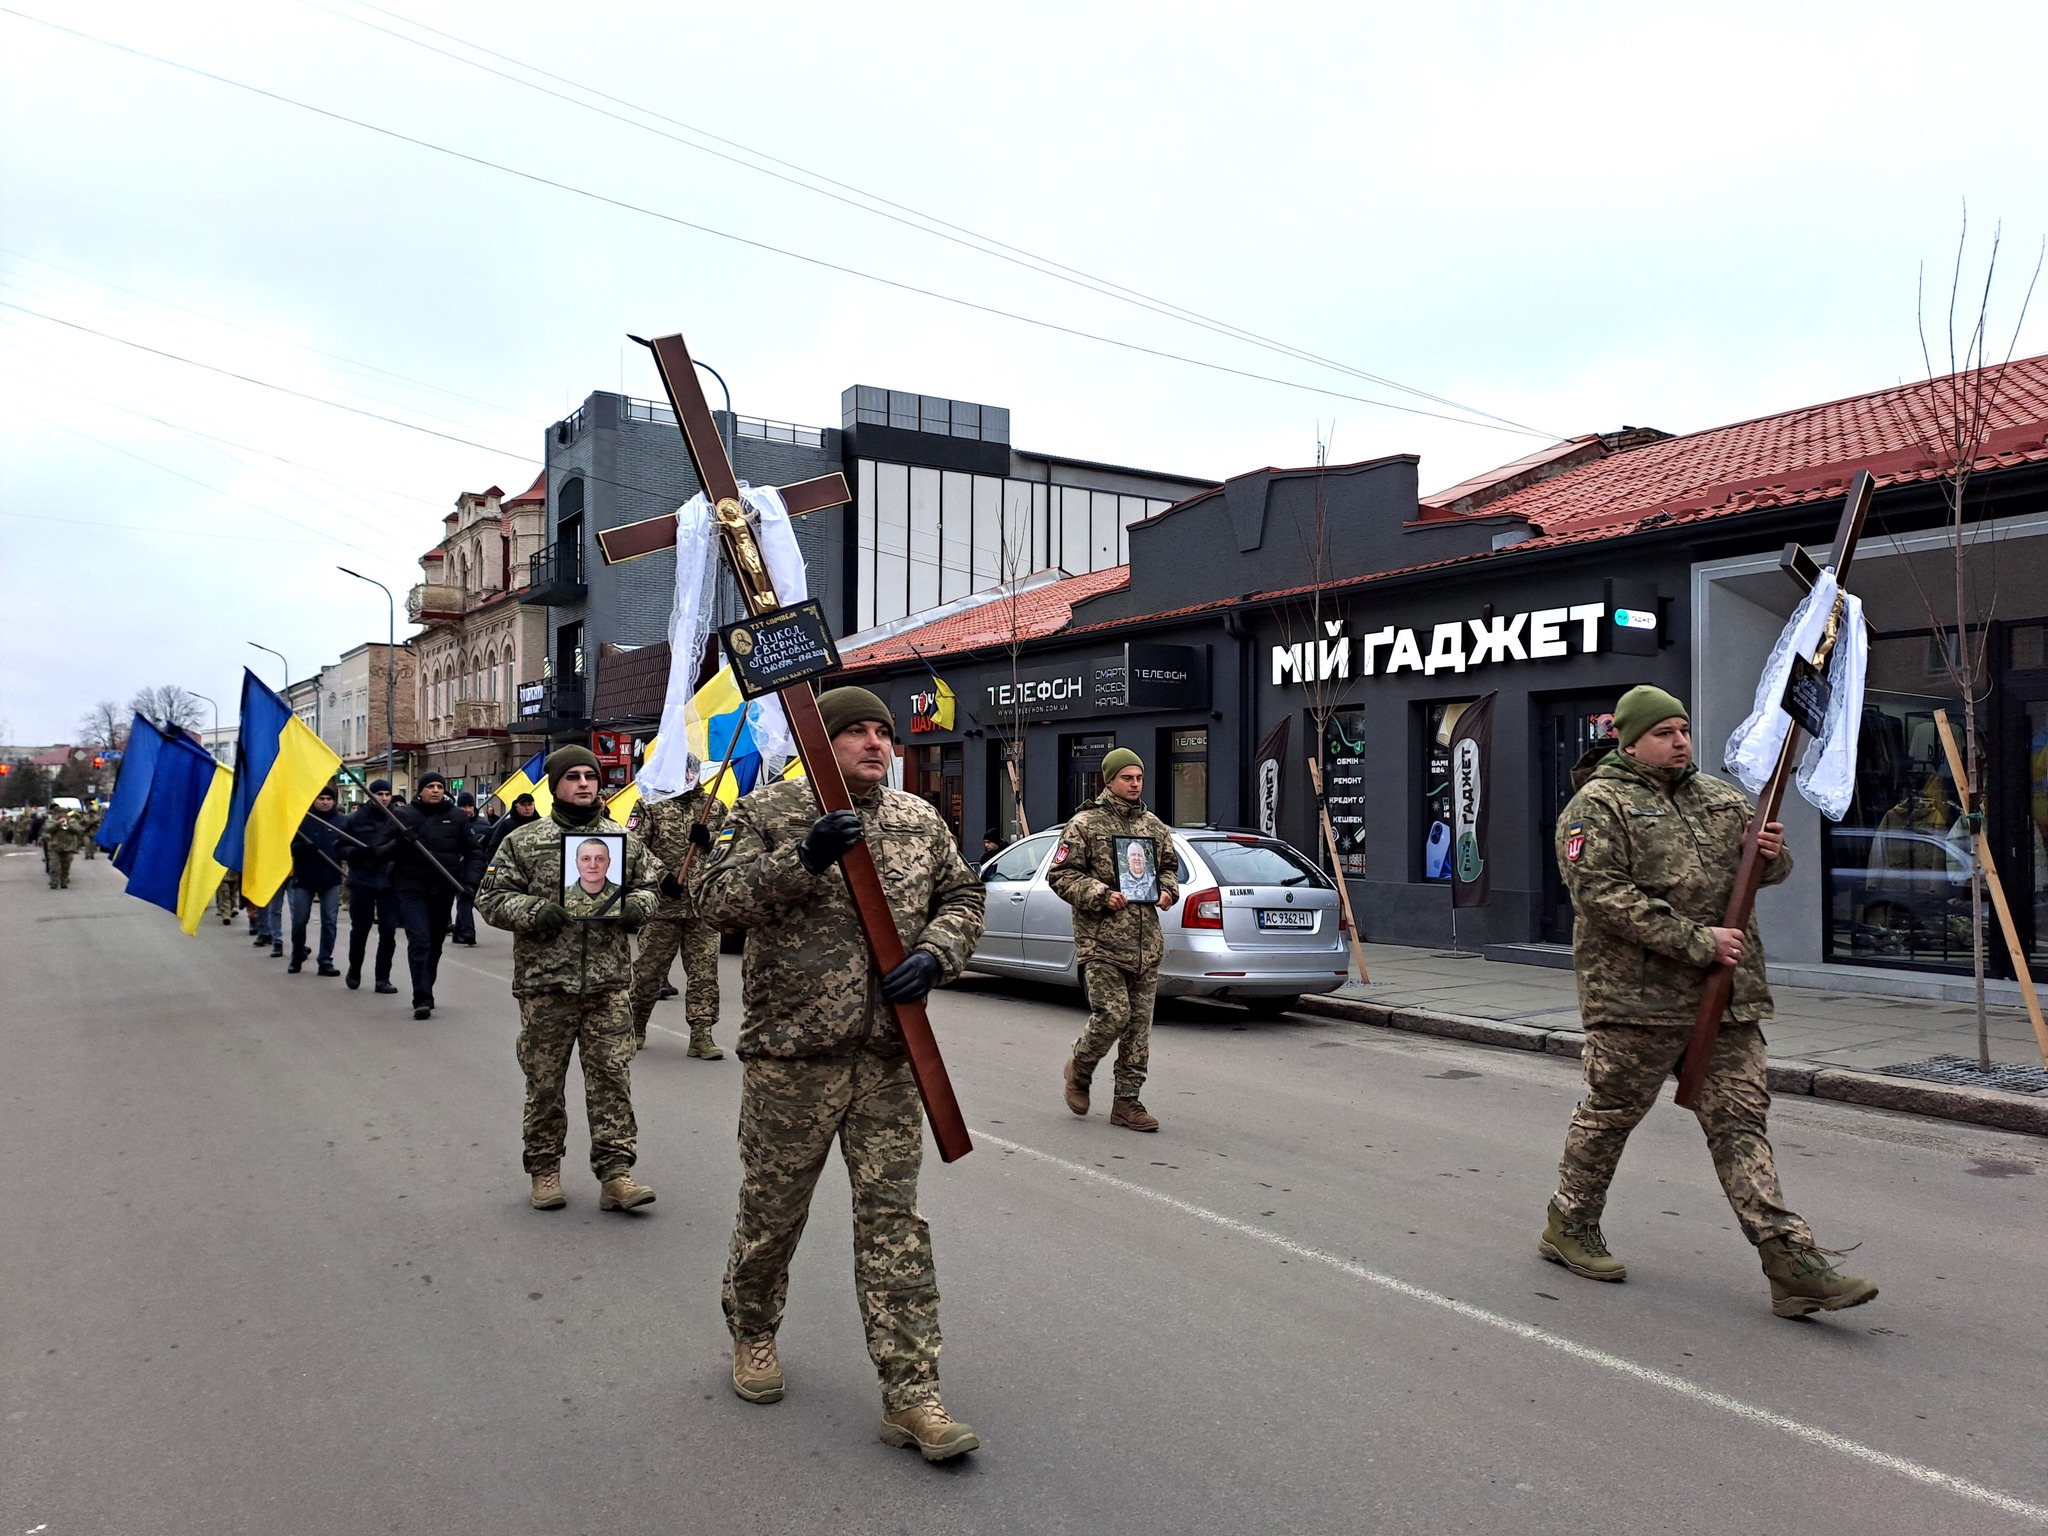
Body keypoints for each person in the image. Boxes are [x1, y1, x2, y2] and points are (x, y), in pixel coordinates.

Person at [691, 686, 985, 1463]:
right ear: (821, 743)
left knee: (895, 1227)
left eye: (882, 732)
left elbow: (964, 895)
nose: (874, 743)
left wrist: (936, 953)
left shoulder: (920, 819)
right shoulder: (770, 812)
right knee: (772, 1217)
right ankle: (753, 1332)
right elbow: (711, 899)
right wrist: (804, 859)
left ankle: (912, 1393)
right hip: (793, 1059)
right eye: (854, 731)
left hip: (889, 1060)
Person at [1543, 684, 1878, 1318]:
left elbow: (1762, 871)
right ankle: (1570, 1223)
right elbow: (1601, 898)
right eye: (1665, 733)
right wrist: (1697, 941)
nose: (1681, 743)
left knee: (1741, 1123)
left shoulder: (1719, 798)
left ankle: (1789, 1259)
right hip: (1637, 1000)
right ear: (1629, 739)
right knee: (1609, 1117)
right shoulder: (1597, 806)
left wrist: (1772, 857)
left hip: (1728, 999)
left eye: (1685, 730)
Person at [476, 746, 660, 1213]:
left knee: (612, 1081)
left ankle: (616, 1174)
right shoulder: (525, 840)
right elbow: (491, 896)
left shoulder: (623, 840)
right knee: (544, 1083)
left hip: (608, 984)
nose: (584, 783)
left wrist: (638, 906)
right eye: (573, 776)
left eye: (591, 776)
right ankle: (544, 1170)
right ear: (555, 784)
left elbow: (652, 886)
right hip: (546, 986)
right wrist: (535, 910)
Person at [1048, 748, 1180, 1132]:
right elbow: (1061, 875)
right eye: (1127, 778)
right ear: (1109, 781)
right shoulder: (1085, 824)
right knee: (1113, 1016)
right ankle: (1081, 1068)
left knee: (1139, 1027)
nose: (1135, 784)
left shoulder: (1154, 827)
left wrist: (1168, 891)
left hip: (1146, 944)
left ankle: (1127, 1103)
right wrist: (1100, 894)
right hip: (1102, 941)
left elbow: (1169, 869)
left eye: (1139, 778)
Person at [628, 783, 727, 1059]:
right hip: (663, 906)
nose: (687, 777)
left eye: (691, 771)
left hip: (702, 906)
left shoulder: (714, 805)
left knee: (704, 974)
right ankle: (635, 1026)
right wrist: (661, 876)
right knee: (649, 972)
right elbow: (634, 846)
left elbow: (734, 844)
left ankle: (701, 1034)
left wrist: (709, 836)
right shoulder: (650, 805)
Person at [378, 770, 484, 1020]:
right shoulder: (403, 816)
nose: (436, 790)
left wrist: (469, 882)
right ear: (420, 790)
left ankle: (427, 984)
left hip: (443, 890)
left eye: (440, 786)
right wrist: (401, 843)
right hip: (411, 889)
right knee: (420, 941)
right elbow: (379, 851)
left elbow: (474, 853)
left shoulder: (456, 817)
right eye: (430, 786)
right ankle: (421, 996)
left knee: (435, 944)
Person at [341, 779, 401, 994]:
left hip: (389, 882)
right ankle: (354, 968)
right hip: (362, 881)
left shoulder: (399, 819)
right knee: (360, 929)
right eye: (379, 794)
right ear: (370, 795)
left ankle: (382, 978)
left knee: (388, 932)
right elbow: (339, 847)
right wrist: (357, 853)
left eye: (387, 794)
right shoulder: (356, 819)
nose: (384, 798)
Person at [286, 786, 346, 976]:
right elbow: (288, 848)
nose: (325, 802)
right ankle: (297, 955)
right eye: (321, 798)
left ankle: (325, 960)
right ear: (314, 800)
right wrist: (302, 848)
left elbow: (348, 847)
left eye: (329, 799)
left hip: (331, 878)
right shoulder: (302, 820)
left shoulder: (341, 822)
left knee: (329, 921)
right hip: (305, 878)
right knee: (299, 921)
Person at [452, 792, 481, 945]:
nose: (467, 809)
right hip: (457, 867)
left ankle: (458, 931)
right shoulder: (452, 823)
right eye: (464, 806)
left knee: (466, 898)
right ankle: (468, 931)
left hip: (474, 868)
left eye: (470, 806)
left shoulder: (482, 825)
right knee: (464, 898)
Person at [484, 792, 541, 866]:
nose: (527, 808)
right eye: (523, 805)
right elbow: (494, 848)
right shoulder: (506, 825)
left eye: (530, 805)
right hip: (512, 868)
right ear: (516, 806)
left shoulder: (540, 824)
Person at [41, 808, 83, 889]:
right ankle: (54, 881)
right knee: (54, 865)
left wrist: (68, 824)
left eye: (64, 813)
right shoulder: (51, 821)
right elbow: (48, 829)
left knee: (66, 865)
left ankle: (64, 880)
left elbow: (79, 830)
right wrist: (58, 823)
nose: (62, 815)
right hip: (55, 847)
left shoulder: (72, 821)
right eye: (60, 813)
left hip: (68, 847)